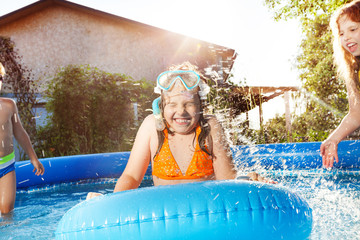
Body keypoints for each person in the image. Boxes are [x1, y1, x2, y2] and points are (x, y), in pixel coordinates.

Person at [87, 62, 272, 199]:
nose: (181, 112)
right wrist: (109, 202)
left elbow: (228, 180)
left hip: (205, 213)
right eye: (172, 104)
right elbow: (131, 176)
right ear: (161, 106)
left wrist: (249, 179)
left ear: (201, 105)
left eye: (189, 103)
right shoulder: (152, 127)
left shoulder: (210, 127)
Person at [0, 62, 44, 214]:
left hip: (6, 166)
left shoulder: (9, 105)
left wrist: (33, 158)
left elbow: (19, 132)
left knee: (7, 211)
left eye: (0, 78)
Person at [320, 0, 360, 168]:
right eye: (341, 33)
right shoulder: (354, 70)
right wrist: (333, 138)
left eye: (353, 29)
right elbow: (356, 114)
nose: (346, 37)